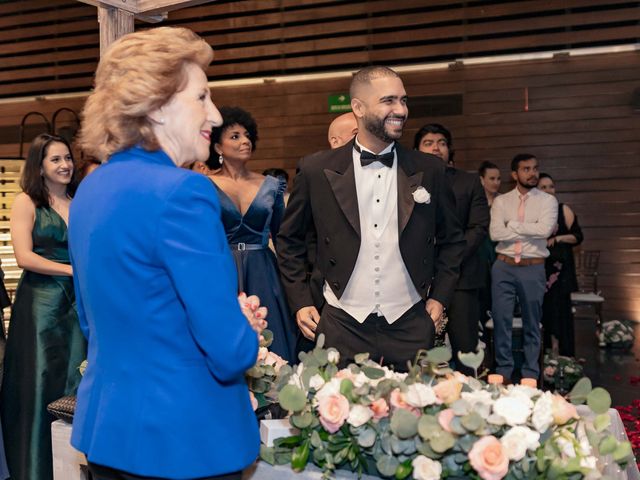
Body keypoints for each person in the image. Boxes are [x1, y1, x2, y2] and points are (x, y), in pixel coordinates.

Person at [68, 27, 266, 480]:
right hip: (184, 439)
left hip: (110, 433)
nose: (214, 115)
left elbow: (92, 318)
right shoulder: (183, 191)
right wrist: (245, 330)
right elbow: (229, 350)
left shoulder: (92, 188)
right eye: (201, 97)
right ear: (156, 108)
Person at [277, 66, 464, 370]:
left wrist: (440, 297)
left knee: (413, 413)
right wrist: (301, 302)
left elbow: (453, 240)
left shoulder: (430, 169)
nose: (400, 110)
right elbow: (289, 240)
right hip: (340, 321)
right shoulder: (315, 170)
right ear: (358, 108)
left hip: (410, 322)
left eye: (403, 101)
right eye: (389, 101)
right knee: (336, 414)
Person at [0, 133, 86, 480]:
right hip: (42, 304)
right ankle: (35, 469)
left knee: (74, 379)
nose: (65, 164)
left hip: (80, 302)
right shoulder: (26, 201)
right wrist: (71, 269)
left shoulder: (80, 200)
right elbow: (23, 257)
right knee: (40, 381)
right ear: (39, 166)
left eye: (68, 158)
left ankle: (72, 467)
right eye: (56, 159)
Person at [209, 106, 296, 363]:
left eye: (247, 135)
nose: (245, 141)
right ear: (217, 147)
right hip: (222, 271)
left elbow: (284, 238)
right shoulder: (204, 185)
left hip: (264, 272)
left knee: (274, 341)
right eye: (234, 136)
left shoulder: (270, 185)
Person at [413, 123, 489, 375]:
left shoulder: (468, 182)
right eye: (428, 143)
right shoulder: (407, 181)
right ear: (416, 150)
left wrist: (448, 259)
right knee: (421, 352)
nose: (436, 147)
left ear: (450, 150)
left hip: (461, 278)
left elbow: (478, 227)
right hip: (417, 282)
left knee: (465, 350)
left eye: (442, 143)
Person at [490, 153, 557, 383]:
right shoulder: (501, 201)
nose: (532, 173)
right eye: (526, 169)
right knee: (501, 321)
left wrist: (514, 225)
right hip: (503, 266)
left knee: (532, 323)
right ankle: (504, 372)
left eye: (535, 168)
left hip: (533, 267)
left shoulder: (547, 201)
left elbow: (545, 231)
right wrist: (530, 228)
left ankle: (530, 374)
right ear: (514, 174)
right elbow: (495, 233)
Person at [538, 173, 583, 356]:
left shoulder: (563, 209)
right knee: (546, 312)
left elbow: (578, 237)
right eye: (544, 187)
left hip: (562, 271)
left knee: (562, 313)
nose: (549, 190)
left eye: (551, 186)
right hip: (542, 269)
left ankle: (563, 356)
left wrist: (558, 238)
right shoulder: (536, 213)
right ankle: (549, 356)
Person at [477, 161, 502, 328]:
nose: (496, 182)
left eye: (499, 178)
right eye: (492, 178)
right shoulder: (475, 203)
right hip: (479, 257)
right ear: (482, 180)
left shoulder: (505, 202)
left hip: (501, 256)